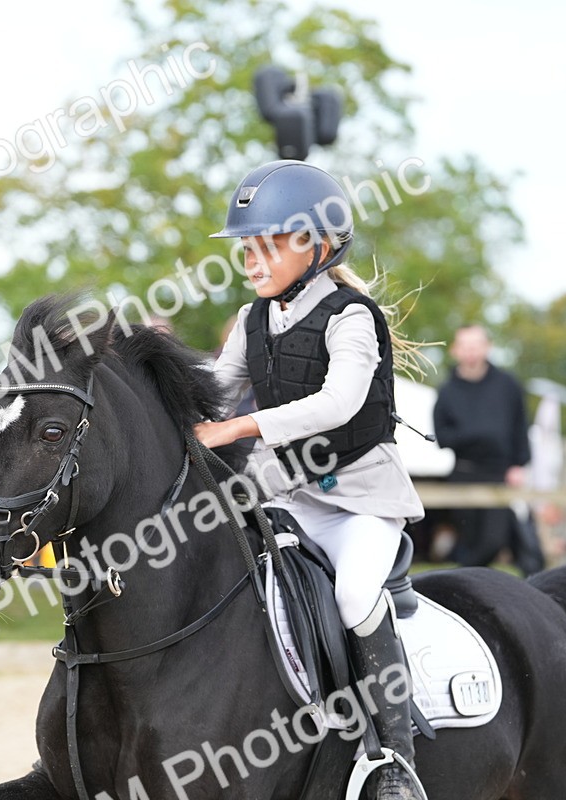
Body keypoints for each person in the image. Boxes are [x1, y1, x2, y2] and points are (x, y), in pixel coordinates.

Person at [195, 160, 426, 799]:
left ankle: (395, 762)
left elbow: (338, 404)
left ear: (319, 247)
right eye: (248, 245)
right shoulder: (253, 320)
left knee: (354, 594)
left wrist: (239, 430)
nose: (252, 257)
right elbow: (215, 390)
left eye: (269, 243)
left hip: (362, 503)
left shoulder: (352, 316)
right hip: (290, 497)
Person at [432, 325, 540, 573]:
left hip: (500, 475)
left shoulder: (508, 385)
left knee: (494, 540)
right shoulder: (447, 391)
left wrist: (518, 464)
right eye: (465, 346)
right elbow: (443, 437)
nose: (471, 352)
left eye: (476, 345)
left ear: (487, 347)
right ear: (456, 350)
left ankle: (458, 577)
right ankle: (466, 584)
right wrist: (478, 435)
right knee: (470, 542)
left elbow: (520, 426)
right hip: (463, 474)